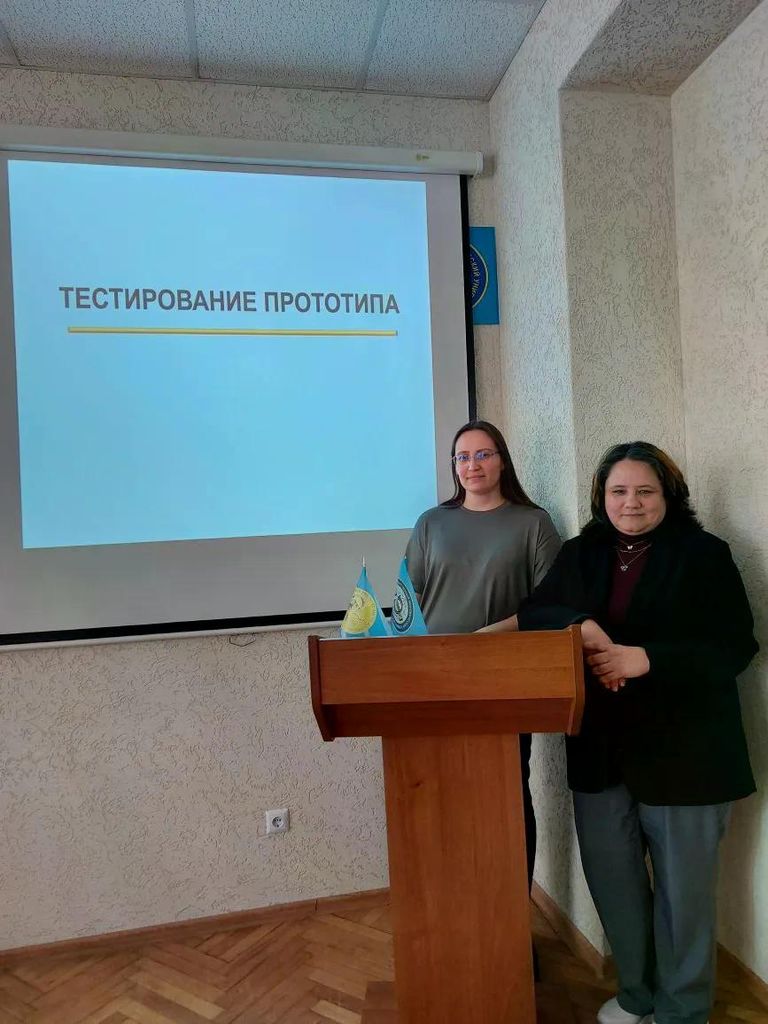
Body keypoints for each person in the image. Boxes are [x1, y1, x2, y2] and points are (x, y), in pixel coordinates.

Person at [513, 442, 758, 1024]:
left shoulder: (705, 554)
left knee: (684, 897)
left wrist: (646, 658)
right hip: (601, 753)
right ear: (601, 496)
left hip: (688, 755)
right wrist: (583, 624)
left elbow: (734, 646)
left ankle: (682, 1011)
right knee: (614, 885)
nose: (631, 502)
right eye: (618, 491)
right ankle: (637, 995)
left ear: (669, 495)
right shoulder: (581, 553)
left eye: (645, 491)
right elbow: (537, 612)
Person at [405, 419, 561, 890]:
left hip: (503, 677)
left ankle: (510, 908)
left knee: (505, 792)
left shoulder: (533, 522)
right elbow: (408, 600)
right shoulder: (431, 523)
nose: (472, 465)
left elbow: (551, 605)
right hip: (435, 680)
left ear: (502, 460)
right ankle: (451, 902)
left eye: (483, 454)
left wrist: (489, 636)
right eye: (462, 457)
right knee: (440, 792)